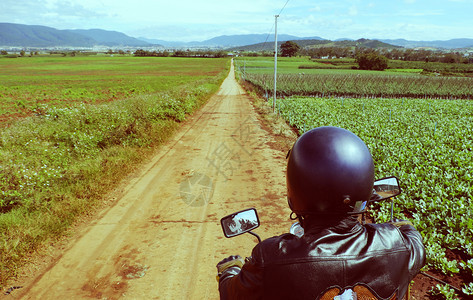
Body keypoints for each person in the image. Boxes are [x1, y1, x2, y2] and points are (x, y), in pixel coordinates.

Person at [216, 126, 425, 300]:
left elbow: (231, 293)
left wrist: (230, 270)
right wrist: (402, 226)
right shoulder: (400, 245)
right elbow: (416, 241)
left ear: (296, 188)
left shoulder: (269, 258)